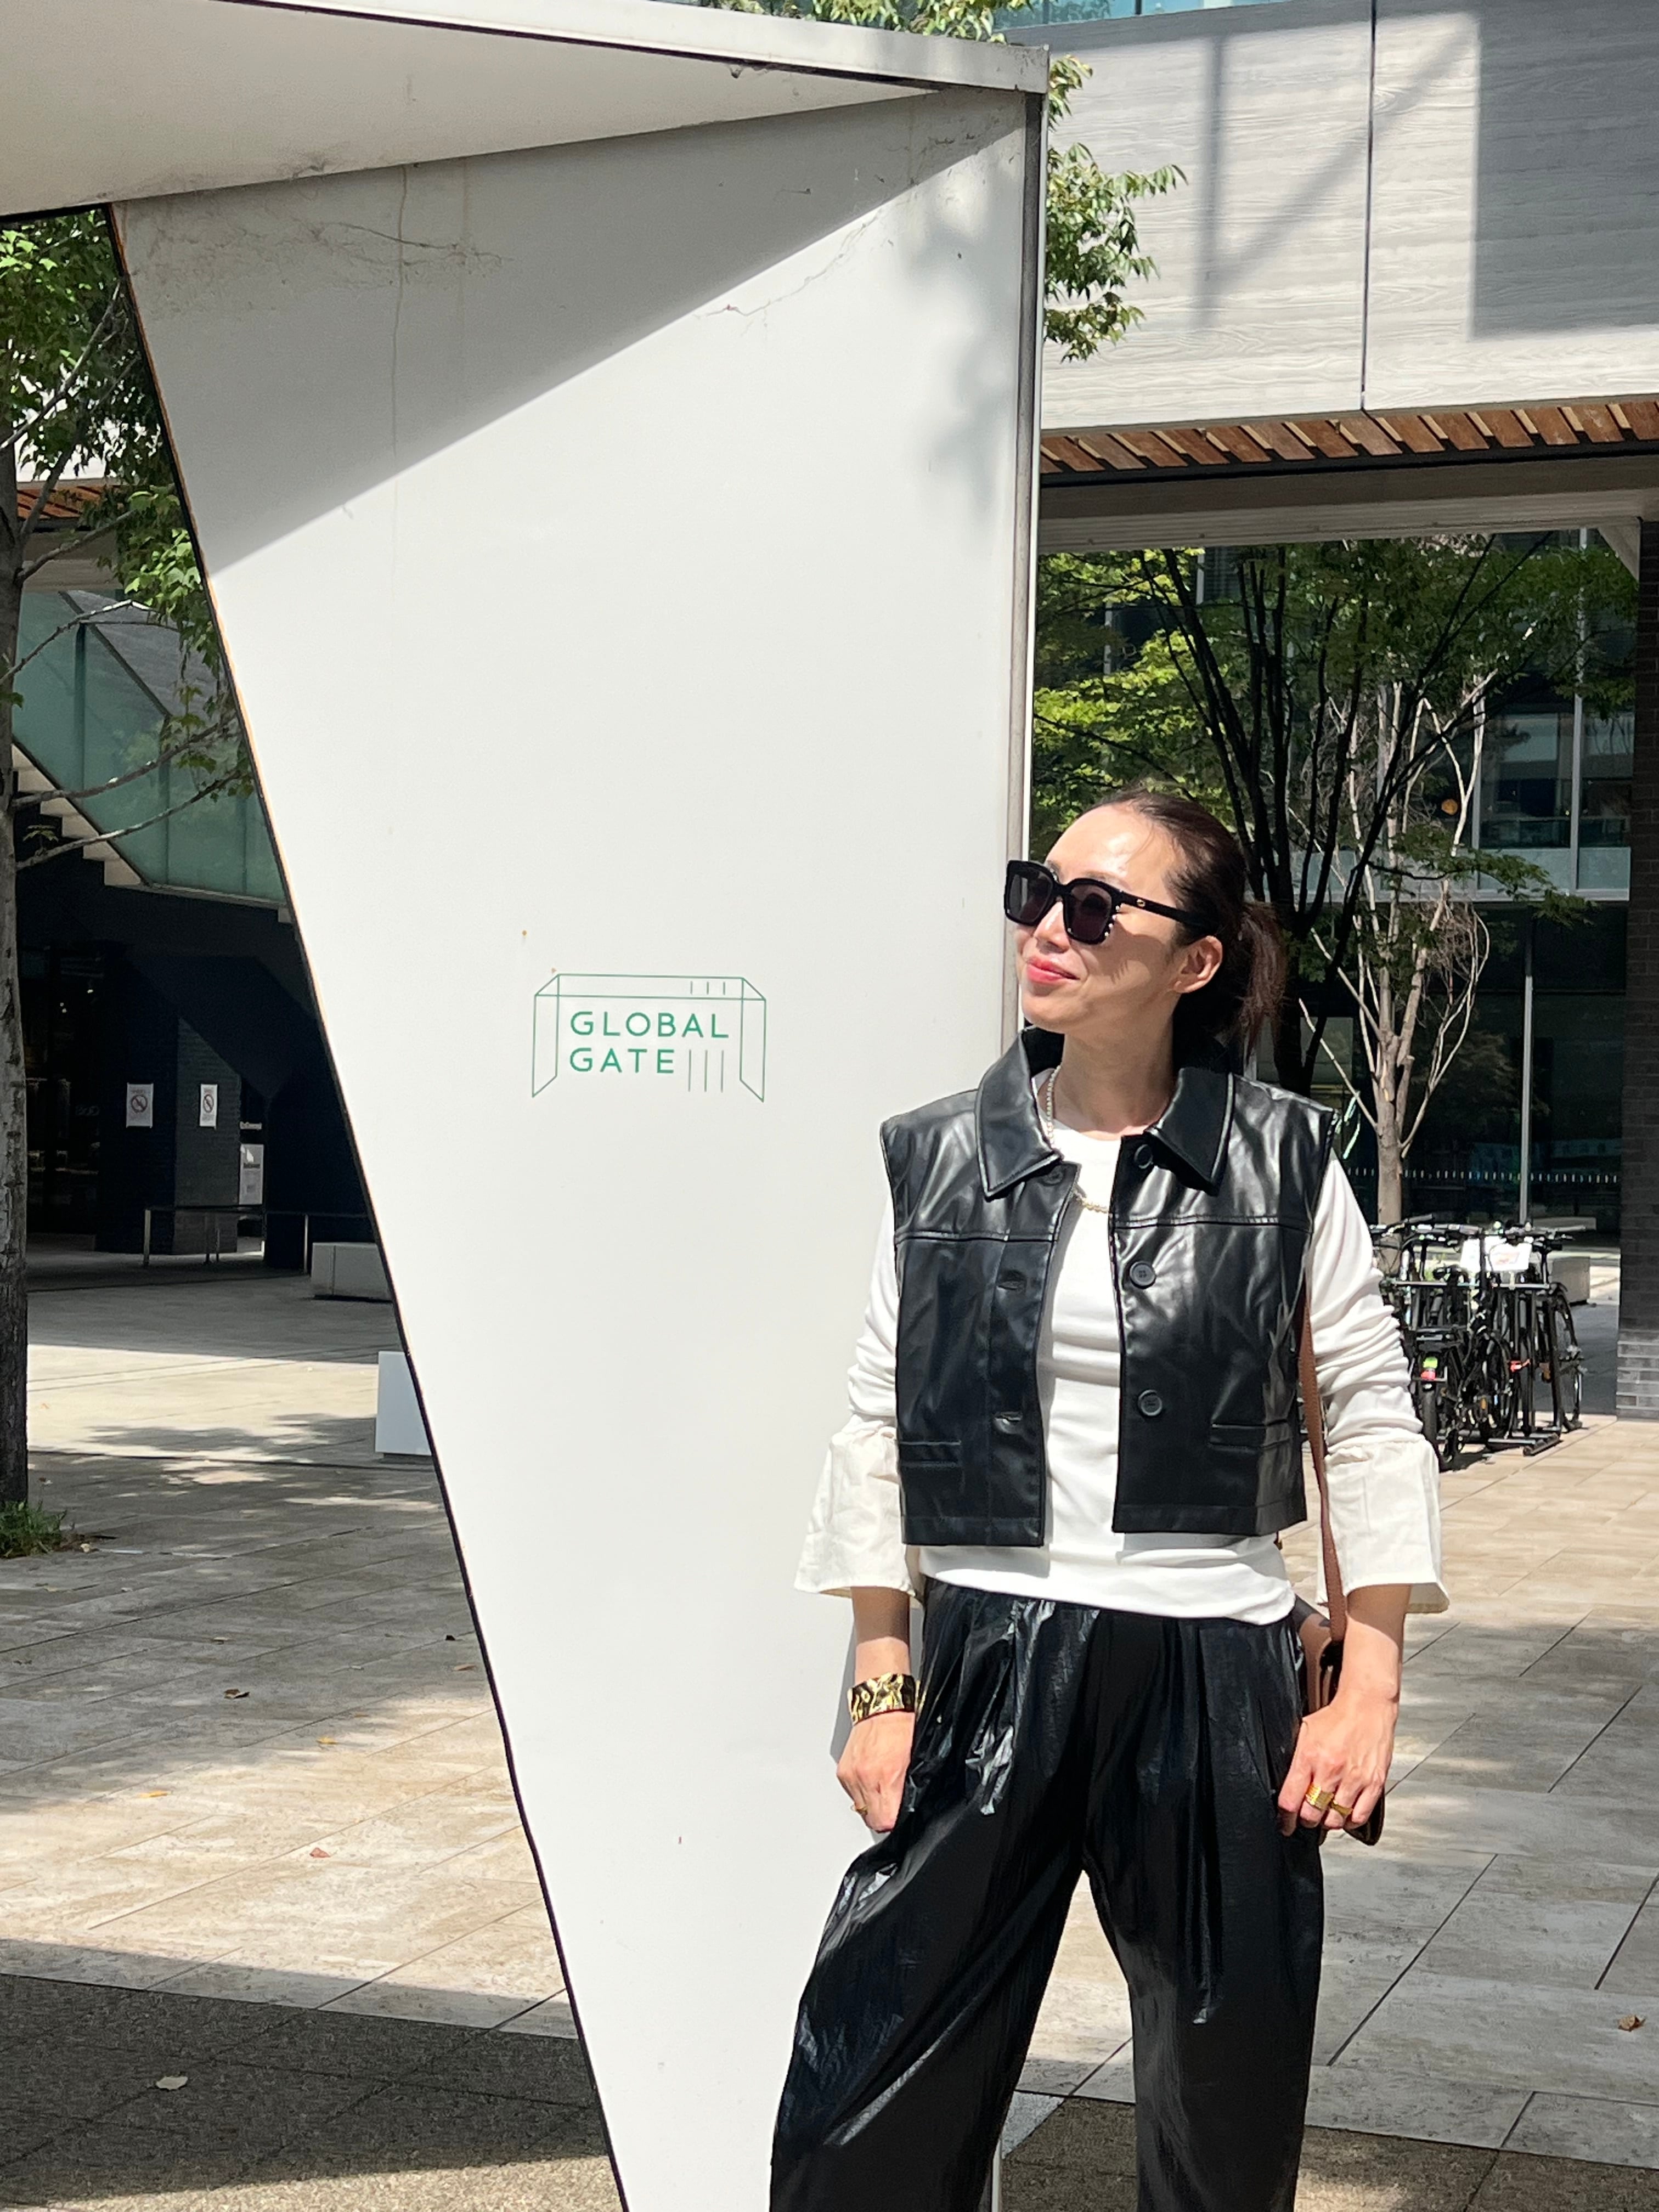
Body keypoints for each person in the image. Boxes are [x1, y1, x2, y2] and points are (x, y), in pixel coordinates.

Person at [772, 788, 1445, 2212]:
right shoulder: (941, 1154)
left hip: (1216, 1672)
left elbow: (1368, 1416)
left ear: (1195, 959)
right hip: (988, 1655)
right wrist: (882, 1680)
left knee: (1222, 2123)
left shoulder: (1281, 1157)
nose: (1048, 930)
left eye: (1092, 907)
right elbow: (877, 1422)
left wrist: (1369, 1687)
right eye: (1039, 891)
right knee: (863, 2115)